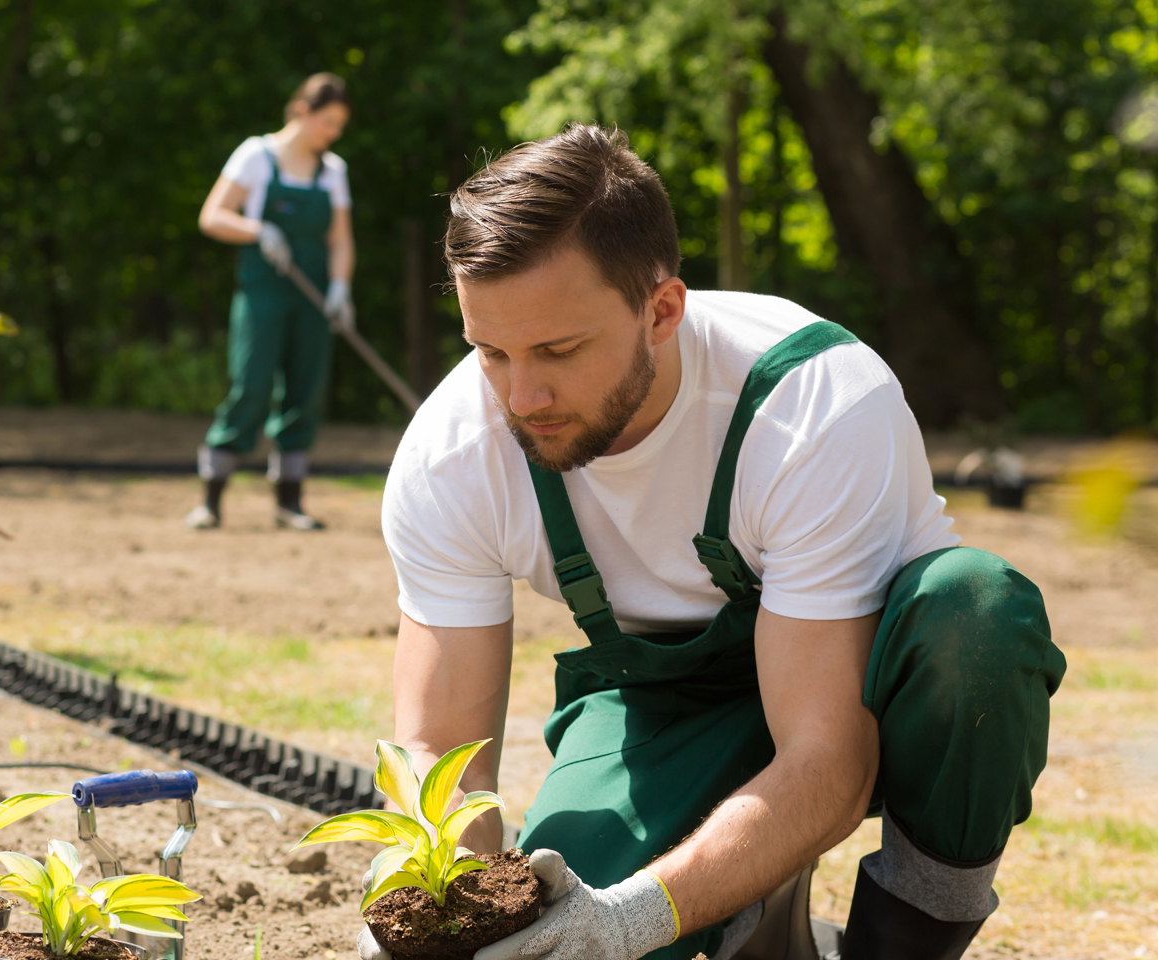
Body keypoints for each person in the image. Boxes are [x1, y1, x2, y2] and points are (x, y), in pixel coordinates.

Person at [372, 126, 1064, 960]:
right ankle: (761, 925)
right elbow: (440, 750)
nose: (523, 394)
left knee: (975, 611)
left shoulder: (812, 407)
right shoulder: (453, 455)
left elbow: (827, 760)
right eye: (490, 352)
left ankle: (902, 940)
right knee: (553, 930)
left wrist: (636, 916)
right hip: (672, 706)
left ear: (662, 310)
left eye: (559, 349)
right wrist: (441, 907)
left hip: (869, 685)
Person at [190, 73, 356, 531]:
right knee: (252, 386)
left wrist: (341, 287)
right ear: (302, 112)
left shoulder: (333, 171)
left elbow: (340, 240)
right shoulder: (255, 156)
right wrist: (257, 230)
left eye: (339, 125)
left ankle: (289, 503)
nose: (333, 133)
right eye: (328, 122)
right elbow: (212, 215)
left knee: (305, 392)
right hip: (262, 295)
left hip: (314, 299)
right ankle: (211, 500)